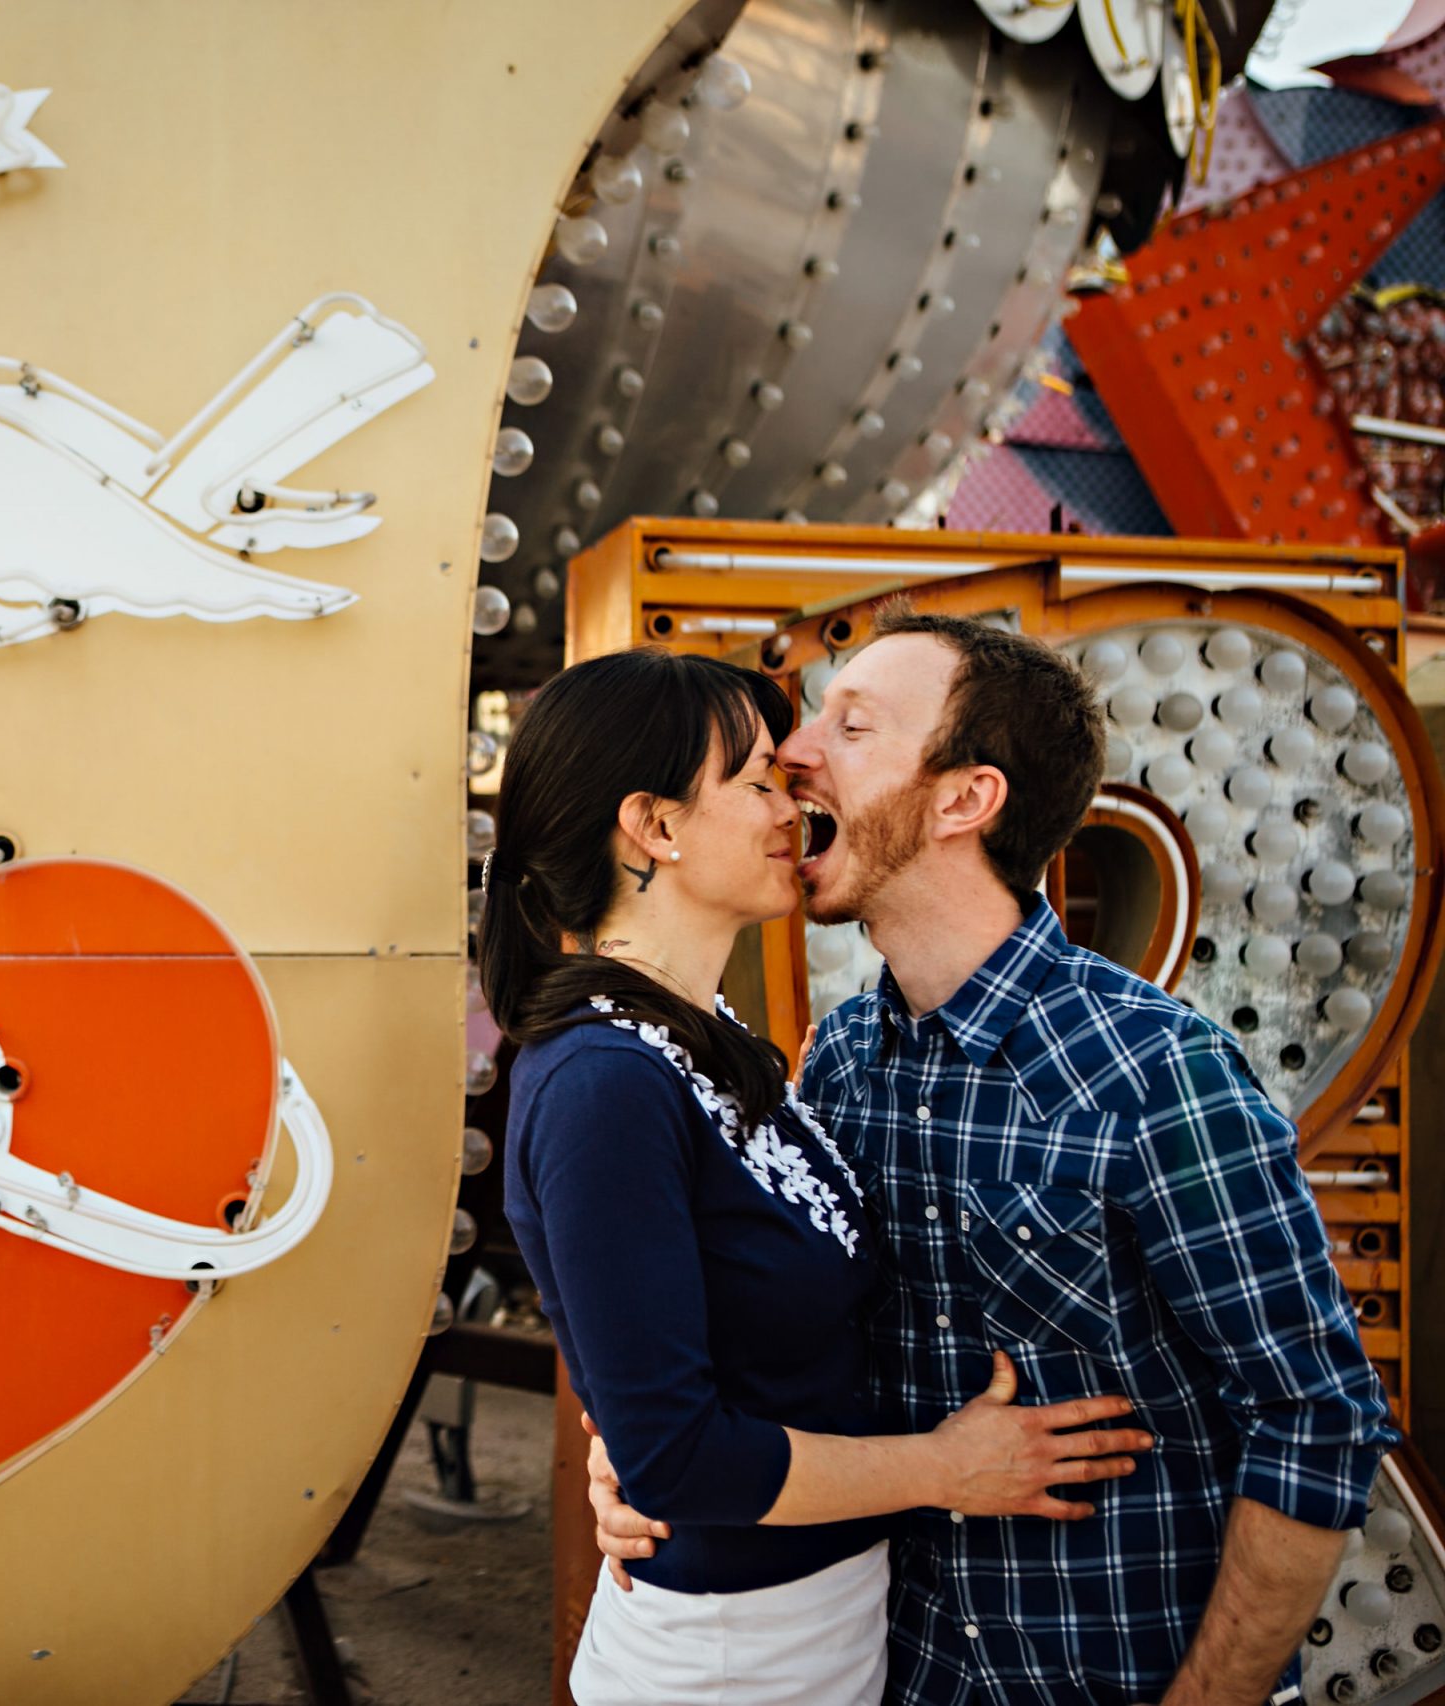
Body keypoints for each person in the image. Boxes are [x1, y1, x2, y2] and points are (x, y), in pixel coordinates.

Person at [583, 605, 1401, 1706]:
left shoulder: (1157, 1069)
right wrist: (635, 1450)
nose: (795, 752)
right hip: (903, 1673)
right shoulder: (837, 1062)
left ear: (965, 798)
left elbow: (1315, 1415)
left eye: (853, 725)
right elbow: (755, 1344)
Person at [479, 646, 1153, 1706]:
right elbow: (678, 1455)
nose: (788, 796)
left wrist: (630, 1436)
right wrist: (946, 1466)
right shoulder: (601, 1081)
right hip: (729, 1657)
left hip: (830, 1624)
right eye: (753, 780)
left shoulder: (723, 1045)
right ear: (654, 827)